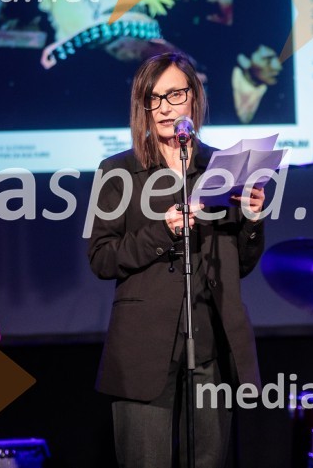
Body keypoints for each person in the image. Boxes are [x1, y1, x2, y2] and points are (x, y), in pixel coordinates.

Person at [87, 52, 265, 467]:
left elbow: (240, 263)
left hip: (210, 344)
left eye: (176, 94)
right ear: (142, 107)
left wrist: (253, 221)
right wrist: (161, 230)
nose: (166, 107)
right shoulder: (118, 172)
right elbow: (101, 258)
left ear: (194, 99)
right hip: (144, 348)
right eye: (154, 98)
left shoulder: (224, 167)